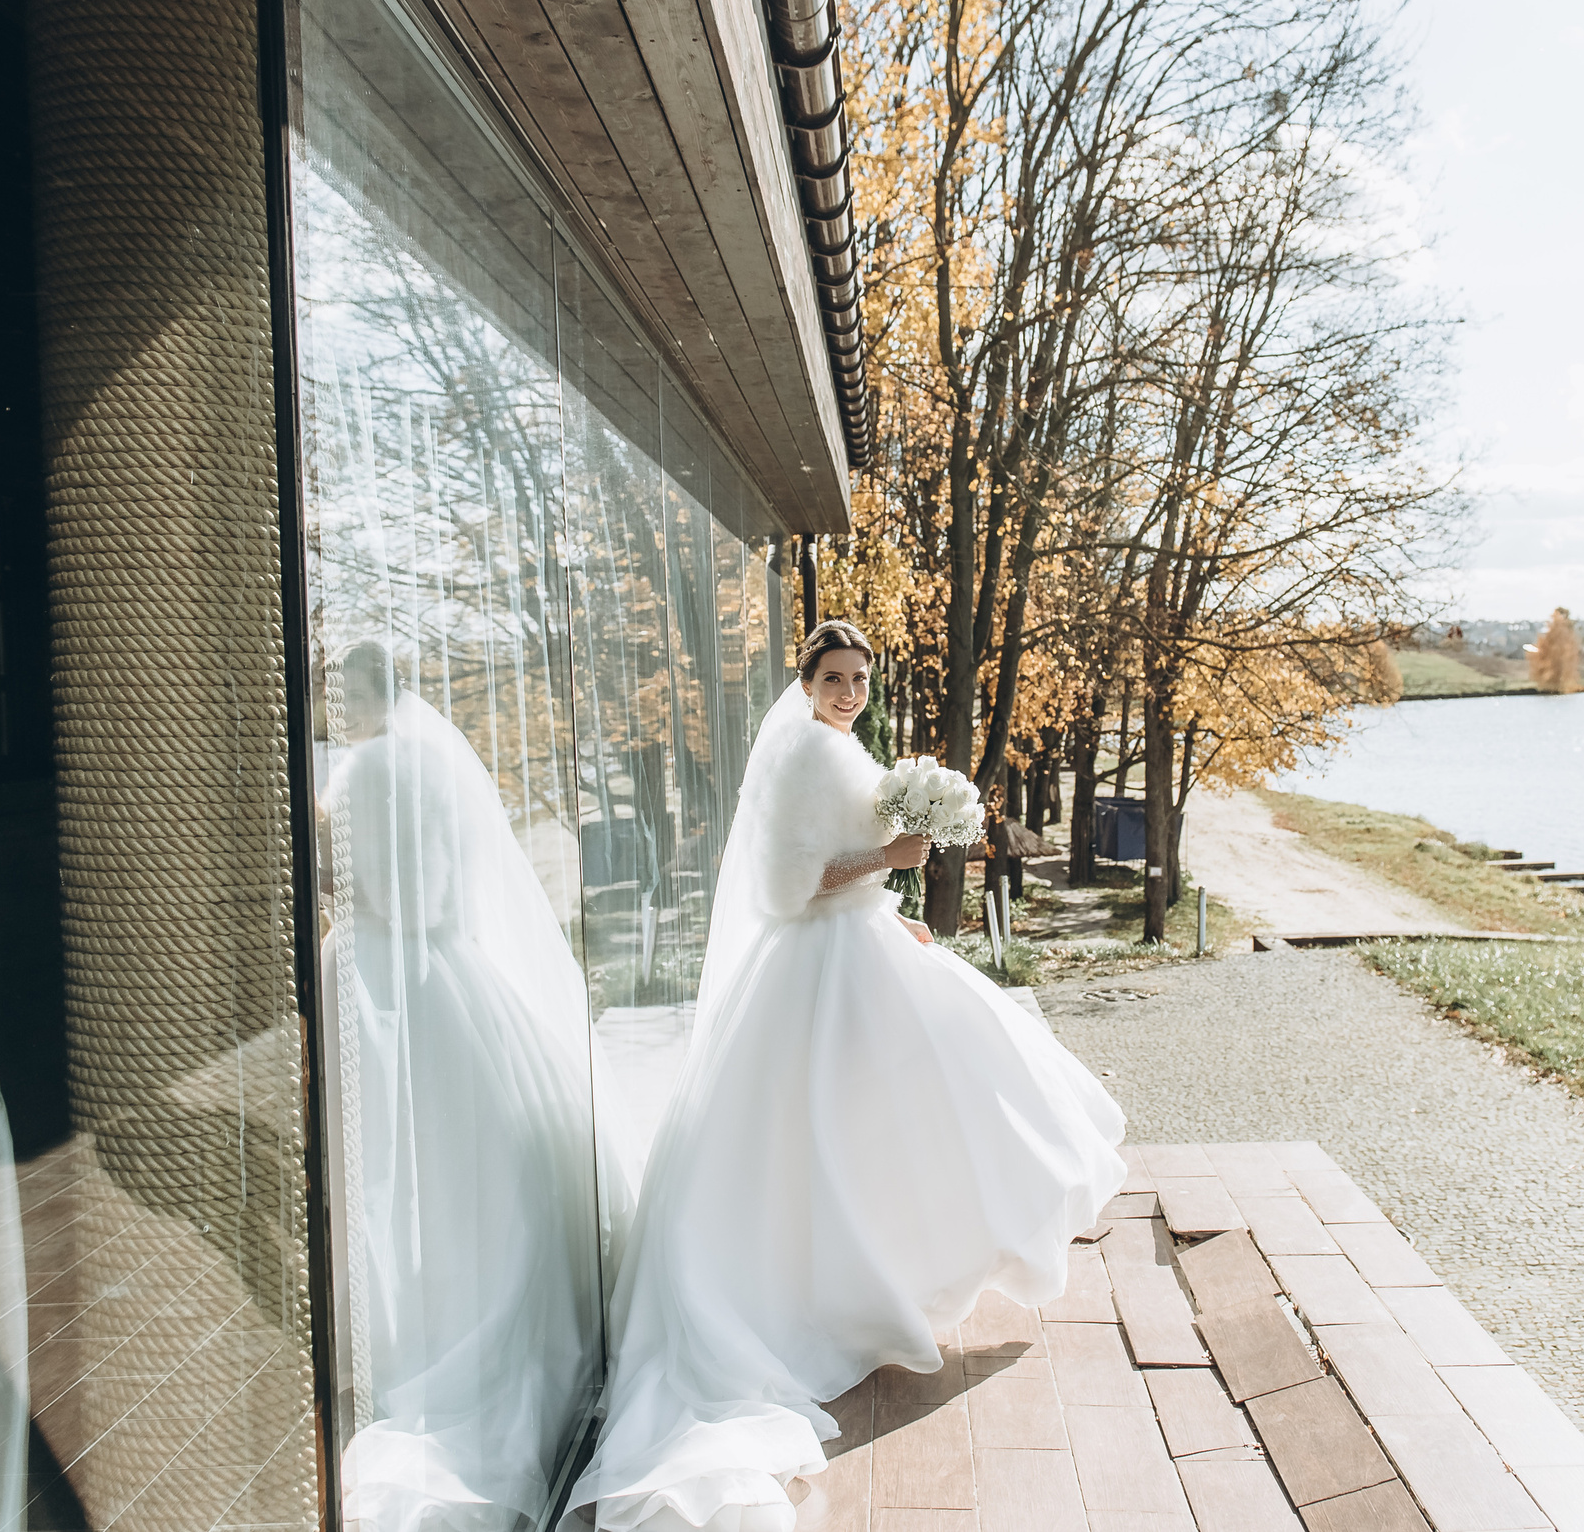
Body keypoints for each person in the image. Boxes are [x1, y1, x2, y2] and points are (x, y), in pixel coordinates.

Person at [565, 621, 1127, 1531]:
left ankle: (918, 1252)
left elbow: (844, 869)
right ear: (809, 678)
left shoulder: (841, 743)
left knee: (932, 1082)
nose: (850, 689)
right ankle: (844, 1290)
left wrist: (890, 902)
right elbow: (789, 883)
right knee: (830, 1129)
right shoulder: (798, 753)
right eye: (835, 676)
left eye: (861, 677)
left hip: (861, 944)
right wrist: (889, 859)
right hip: (815, 971)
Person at [325, 641, 633, 1531]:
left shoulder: (371, 769)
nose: (337, 708)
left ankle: (397, 1330)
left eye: (341, 693)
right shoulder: (432, 760)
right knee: (463, 1160)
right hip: (450, 967)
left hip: (389, 972)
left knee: (388, 1151)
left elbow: (379, 886)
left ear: (361, 696)